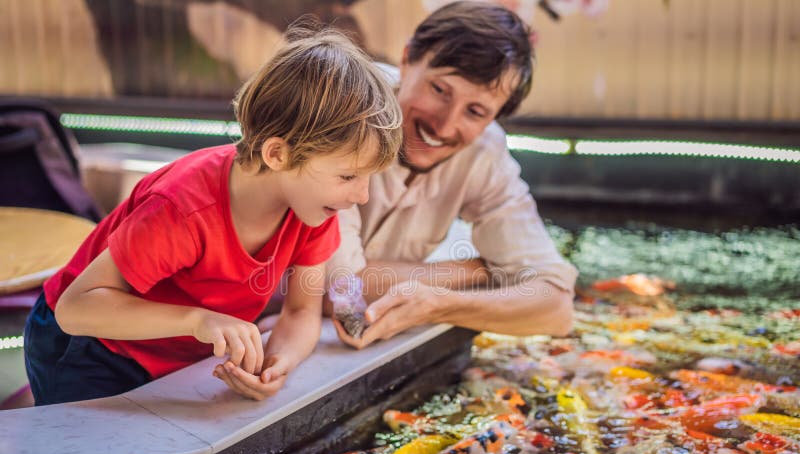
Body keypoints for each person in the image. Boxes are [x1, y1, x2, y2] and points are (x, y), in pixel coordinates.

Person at [23, 26, 402, 406]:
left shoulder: (313, 207)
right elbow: (76, 309)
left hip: (174, 350)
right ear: (278, 155)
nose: (362, 195)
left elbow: (302, 311)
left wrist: (278, 363)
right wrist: (198, 321)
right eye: (348, 176)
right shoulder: (184, 209)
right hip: (91, 345)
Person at [328, 1, 578, 348]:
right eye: (440, 90)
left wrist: (438, 305)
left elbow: (557, 309)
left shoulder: (485, 152)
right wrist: (477, 271)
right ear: (407, 59)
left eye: (475, 111)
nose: (445, 126)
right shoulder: (342, 102)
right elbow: (337, 286)